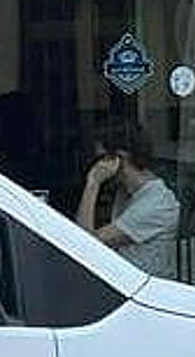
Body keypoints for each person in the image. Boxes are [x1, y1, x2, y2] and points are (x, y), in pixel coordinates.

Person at [75, 119, 180, 278]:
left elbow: (86, 244)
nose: (95, 167)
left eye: (100, 159)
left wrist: (93, 183)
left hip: (147, 293)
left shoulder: (155, 204)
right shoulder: (126, 193)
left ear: (119, 159)